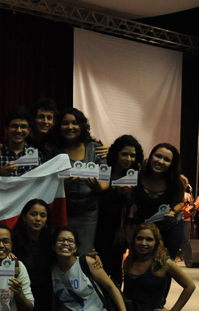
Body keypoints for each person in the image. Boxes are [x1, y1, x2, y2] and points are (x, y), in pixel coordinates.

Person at [54, 107, 106, 255]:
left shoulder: (95, 148)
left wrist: (97, 186)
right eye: (65, 123)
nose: (70, 127)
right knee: (62, 253)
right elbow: (45, 181)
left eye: (75, 123)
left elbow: (105, 182)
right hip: (62, 210)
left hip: (88, 213)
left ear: (82, 126)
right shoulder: (52, 149)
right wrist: (63, 184)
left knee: (84, 254)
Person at [96, 135, 142, 281]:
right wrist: (115, 191)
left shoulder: (134, 175)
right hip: (99, 225)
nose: (129, 159)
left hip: (120, 229)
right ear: (116, 153)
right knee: (102, 266)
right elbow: (97, 197)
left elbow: (134, 203)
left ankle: (116, 295)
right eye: (124, 154)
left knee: (116, 267)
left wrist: (126, 195)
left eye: (132, 155)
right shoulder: (103, 169)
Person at [130, 143, 185, 258]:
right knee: (141, 263)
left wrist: (173, 212)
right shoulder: (137, 177)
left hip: (170, 227)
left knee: (166, 263)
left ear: (172, 164)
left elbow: (180, 201)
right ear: (151, 157)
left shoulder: (176, 181)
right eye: (158, 156)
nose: (161, 161)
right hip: (145, 229)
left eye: (167, 160)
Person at [0, 107, 43, 176]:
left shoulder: (37, 155)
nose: (19, 130)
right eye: (14, 126)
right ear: (6, 129)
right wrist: (0, 174)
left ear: (29, 130)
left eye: (23, 126)